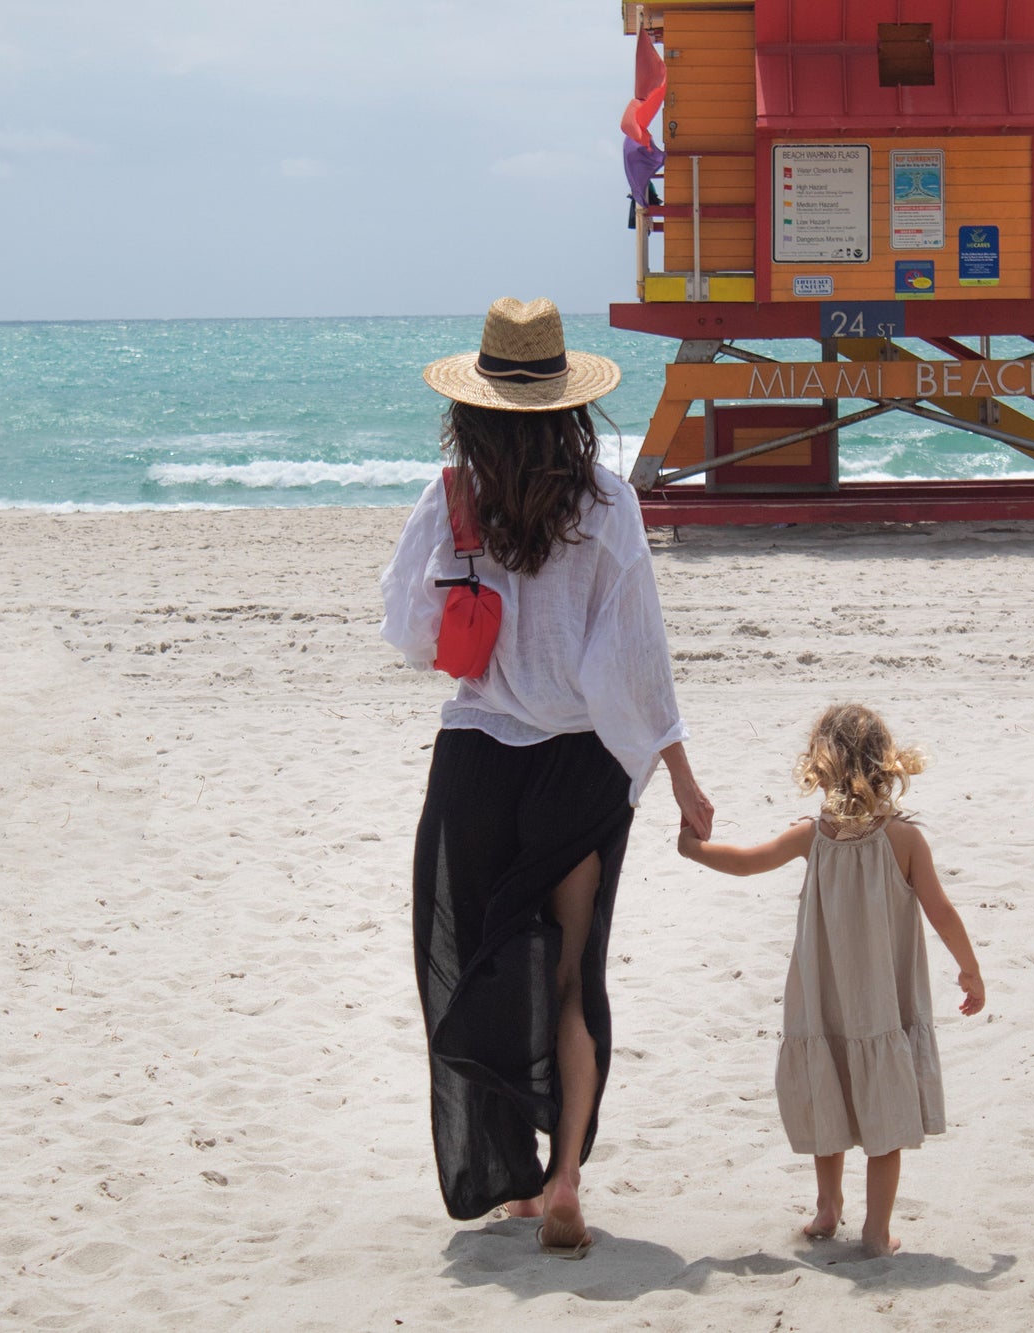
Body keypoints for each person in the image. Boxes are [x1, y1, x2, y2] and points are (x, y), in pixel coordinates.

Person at [380, 297, 714, 1258]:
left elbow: (408, 635)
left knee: (473, 956)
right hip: (579, 769)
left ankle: (507, 1173)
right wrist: (681, 776)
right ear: (570, 404)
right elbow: (636, 661)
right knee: (572, 974)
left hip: (478, 759)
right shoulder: (610, 505)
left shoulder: (453, 500)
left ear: (476, 405)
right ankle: (562, 1175)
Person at [677, 703, 983, 1257]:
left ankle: (827, 1207)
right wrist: (969, 967)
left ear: (822, 765)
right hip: (881, 1001)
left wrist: (691, 847)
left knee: (829, 1093)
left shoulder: (811, 835)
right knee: (883, 1111)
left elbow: (746, 861)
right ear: (885, 763)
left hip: (823, 997)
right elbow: (940, 910)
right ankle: (874, 1231)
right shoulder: (904, 840)